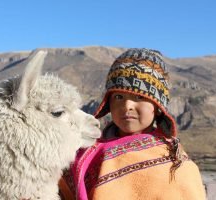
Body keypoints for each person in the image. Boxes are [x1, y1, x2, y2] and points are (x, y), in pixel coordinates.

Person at [59, 48, 206, 200]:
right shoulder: (84, 153)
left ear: (158, 107)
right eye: (118, 96)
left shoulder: (176, 165)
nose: (127, 105)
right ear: (108, 103)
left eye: (138, 97)